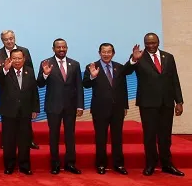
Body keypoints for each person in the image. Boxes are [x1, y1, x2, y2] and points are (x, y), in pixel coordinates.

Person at [127, 33, 185, 177]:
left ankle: (167, 164)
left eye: (154, 43)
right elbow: (126, 72)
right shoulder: (139, 57)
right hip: (148, 103)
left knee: (165, 136)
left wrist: (179, 101)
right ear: (144, 43)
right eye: (148, 43)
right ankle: (150, 164)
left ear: (158, 42)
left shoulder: (168, 57)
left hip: (166, 103)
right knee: (150, 135)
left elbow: (174, 80)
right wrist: (133, 59)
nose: (151, 46)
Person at [36, 38, 84, 175]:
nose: (61, 49)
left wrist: (80, 106)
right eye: (59, 47)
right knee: (54, 136)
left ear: (67, 48)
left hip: (70, 106)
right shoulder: (46, 63)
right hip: (53, 106)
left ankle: (70, 163)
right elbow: (39, 84)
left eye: (64, 47)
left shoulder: (75, 64)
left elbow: (79, 87)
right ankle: (55, 164)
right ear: (53, 49)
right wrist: (45, 74)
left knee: (70, 136)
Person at [82, 43, 131, 175]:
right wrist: (92, 76)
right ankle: (101, 164)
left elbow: (123, 87)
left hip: (117, 109)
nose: (106, 54)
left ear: (113, 53)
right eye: (104, 52)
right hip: (100, 109)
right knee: (101, 138)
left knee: (117, 137)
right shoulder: (92, 67)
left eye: (109, 52)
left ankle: (118, 164)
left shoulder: (119, 67)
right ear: (99, 53)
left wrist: (125, 105)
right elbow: (85, 84)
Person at [0, 50, 39, 175]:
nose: (17, 61)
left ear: (24, 59)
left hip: (25, 110)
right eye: (15, 58)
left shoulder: (29, 71)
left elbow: (34, 91)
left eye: (19, 58)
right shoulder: (6, 70)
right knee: (9, 140)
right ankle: (9, 165)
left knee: (25, 140)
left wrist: (35, 108)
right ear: (10, 59)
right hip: (8, 111)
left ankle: (25, 165)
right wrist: (4, 69)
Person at [0, 29, 38, 150]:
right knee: (8, 122)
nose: (9, 41)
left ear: (14, 38)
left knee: (25, 122)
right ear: (2, 41)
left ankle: (29, 140)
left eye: (11, 38)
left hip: (24, 93)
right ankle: (6, 142)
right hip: (7, 93)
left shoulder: (24, 51)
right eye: (6, 39)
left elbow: (30, 71)